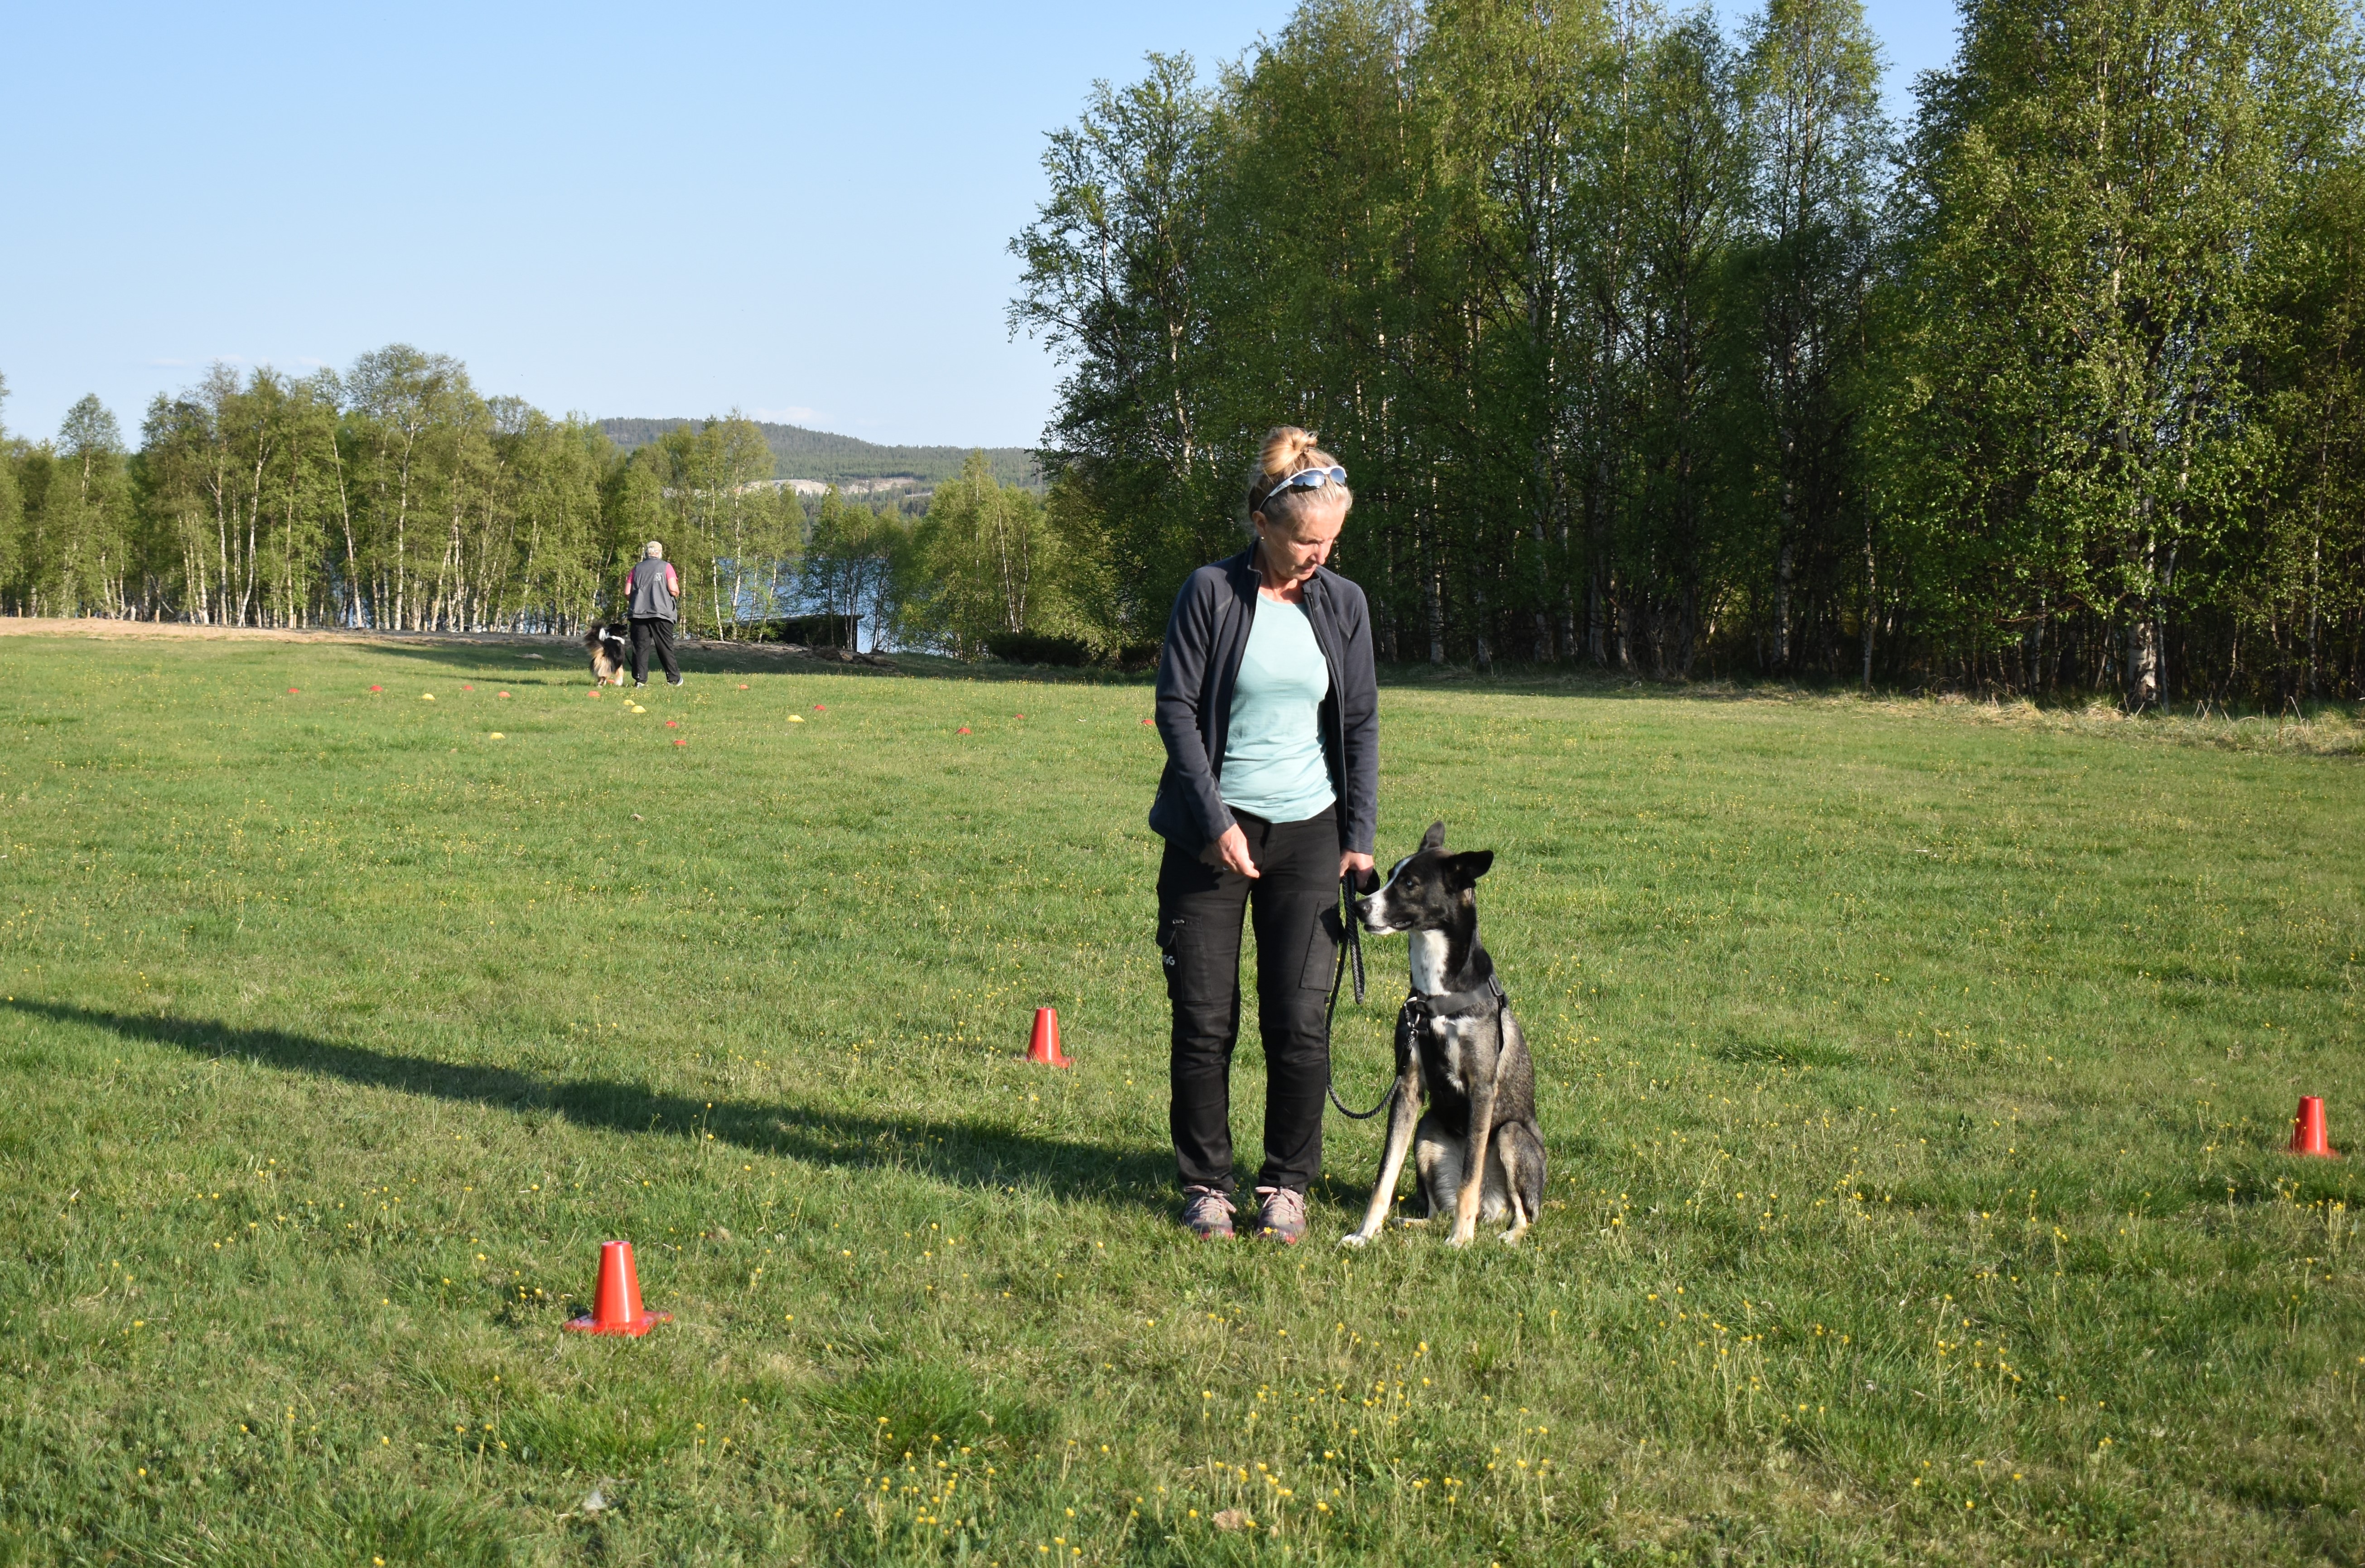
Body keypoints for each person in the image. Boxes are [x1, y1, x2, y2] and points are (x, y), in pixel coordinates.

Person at [1148, 426, 1379, 1244]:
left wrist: (1359, 834)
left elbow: (1358, 721)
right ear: (1261, 521)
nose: (1319, 556)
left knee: (1299, 1021)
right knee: (1205, 1021)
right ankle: (1207, 1186)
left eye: (1330, 544)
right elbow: (1176, 710)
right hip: (1213, 836)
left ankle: (1286, 1185)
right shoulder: (1209, 592)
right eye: (1305, 541)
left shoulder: (1343, 605)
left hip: (1312, 835)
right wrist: (1213, 823)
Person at [626, 541, 683, 687]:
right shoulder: (666, 567)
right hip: (661, 613)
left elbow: (627, 593)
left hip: (639, 613)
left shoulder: (636, 569)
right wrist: (676, 593)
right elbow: (673, 590)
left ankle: (640, 680)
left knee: (640, 647)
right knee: (665, 646)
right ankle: (674, 679)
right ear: (660, 553)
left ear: (647, 553)